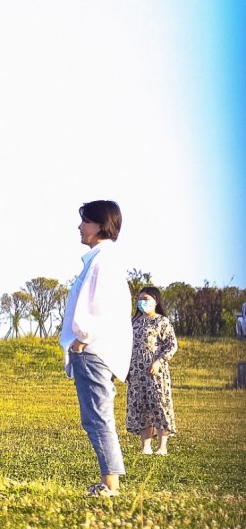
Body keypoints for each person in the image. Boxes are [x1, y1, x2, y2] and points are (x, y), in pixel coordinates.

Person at [59, 200, 133, 497]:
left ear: (100, 225)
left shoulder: (102, 263)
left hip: (93, 350)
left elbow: (99, 307)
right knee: (98, 417)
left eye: (85, 221)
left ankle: (110, 484)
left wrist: (81, 340)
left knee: (97, 418)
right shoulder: (102, 260)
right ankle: (109, 481)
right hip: (95, 349)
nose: (80, 226)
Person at [126, 286, 178, 455]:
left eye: (146, 299)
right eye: (140, 299)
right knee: (141, 407)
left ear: (156, 301)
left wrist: (158, 361)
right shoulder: (134, 323)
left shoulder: (162, 321)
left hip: (156, 372)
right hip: (136, 373)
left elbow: (171, 345)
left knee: (160, 405)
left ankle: (162, 447)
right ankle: (145, 447)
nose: (143, 302)